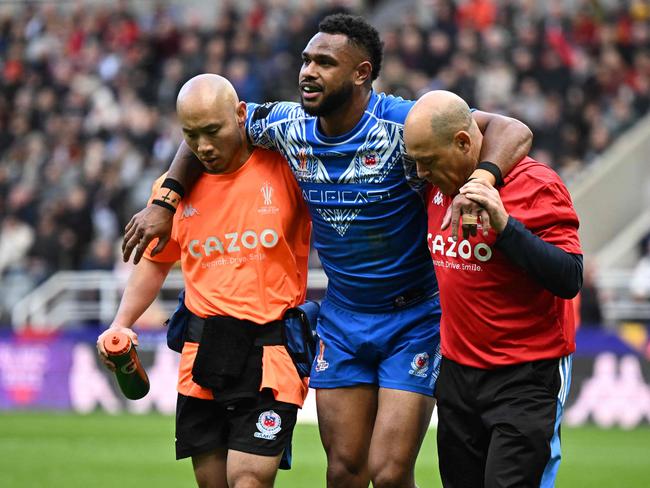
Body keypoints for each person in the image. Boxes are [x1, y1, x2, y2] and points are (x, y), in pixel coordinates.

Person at [121, 14, 532, 488]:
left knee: (389, 471)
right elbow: (208, 128)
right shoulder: (287, 124)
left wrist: (482, 179)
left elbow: (511, 129)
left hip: (412, 318)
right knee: (343, 472)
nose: (307, 72)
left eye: (324, 62)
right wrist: (166, 199)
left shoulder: (402, 123)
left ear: (361, 73)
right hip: (342, 317)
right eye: (305, 60)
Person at [97, 74, 312, 488]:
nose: (204, 147)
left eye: (213, 131)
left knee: (248, 480)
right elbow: (156, 263)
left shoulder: (286, 168)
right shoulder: (171, 194)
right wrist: (121, 322)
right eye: (191, 135)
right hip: (201, 354)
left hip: (271, 354)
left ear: (240, 114)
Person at [404, 90, 583, 487]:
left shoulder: (537, 184)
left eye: (427, 161)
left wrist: (505, 228)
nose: (419, 173)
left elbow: (570, 277)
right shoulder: (438, 182)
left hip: (526, 375)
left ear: (463, 143)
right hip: (457, 374)